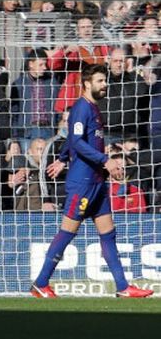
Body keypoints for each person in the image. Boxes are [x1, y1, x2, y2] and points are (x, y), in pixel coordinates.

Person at [32, 64, 154, 298]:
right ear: (87, 84)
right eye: (100, 81)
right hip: (83, 182)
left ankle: (122, 287)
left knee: (108, 233)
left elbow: (73, 139)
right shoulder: (81, 108)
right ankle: (40, 282)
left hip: (97, 181)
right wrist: (105, 160)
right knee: (67, 232)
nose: (104, 84)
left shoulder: (94, 108)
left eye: (104, 81)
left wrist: (61, 158)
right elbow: (77, 141)